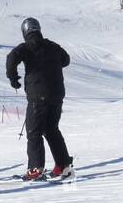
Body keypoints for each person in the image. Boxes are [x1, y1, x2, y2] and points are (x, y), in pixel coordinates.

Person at [5, 18, 74, 180]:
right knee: (51, 129)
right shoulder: (53, 46)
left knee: (34, 131)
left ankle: (35, 169)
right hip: (57, 95)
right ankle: (63, 166)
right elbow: (66, 60)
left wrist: (13, 78)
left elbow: (11, 58)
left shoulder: (27, 47)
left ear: (25, 32)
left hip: (38, 96)